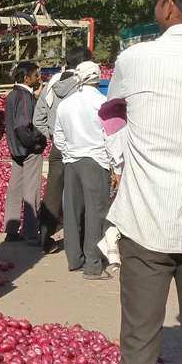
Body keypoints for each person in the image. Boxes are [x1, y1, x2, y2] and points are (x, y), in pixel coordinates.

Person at [107, 0, 182, 364]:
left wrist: (124, 155)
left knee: (138, 342)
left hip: (146, 223)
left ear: (169, 5)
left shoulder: (136, 59)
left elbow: (113, 115)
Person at [52, 61, 112, 280]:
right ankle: (93, 264)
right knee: (96, 213)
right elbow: (111, 136)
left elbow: (58, 136)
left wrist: (69, 153)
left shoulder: (65, 105)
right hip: (96, 161)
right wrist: (115, 164)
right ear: (97, 77)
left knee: (72, 211)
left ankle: (74, 259)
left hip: (72, 161)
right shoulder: (103, 103)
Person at [32, 46, 91, 253]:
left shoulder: (52, 84)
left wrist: (52, 134)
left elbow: (37, 117)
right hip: (81, 146)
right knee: (82, 193)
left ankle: (44, 237)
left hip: (58, 145)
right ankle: (81, 243)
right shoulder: (85, 85)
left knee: (53, 191)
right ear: (86, 64)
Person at [2, 61, 46, 243]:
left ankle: (11, 230)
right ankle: (30, 232)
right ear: (27, 78)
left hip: (15, 150)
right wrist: (36, 142)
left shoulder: (12, 95)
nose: (39, 78)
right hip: (28, 150)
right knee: (31, 190)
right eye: (36, 75)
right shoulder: (24, 97)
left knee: (15, 188)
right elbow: (23, 126)